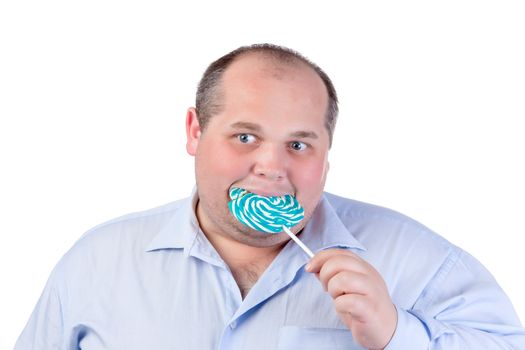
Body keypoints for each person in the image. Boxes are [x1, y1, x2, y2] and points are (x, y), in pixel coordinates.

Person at [15, 43, 525, 350]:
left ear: (326, 153)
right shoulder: (97, 262)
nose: (271, 167)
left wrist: (398, 335)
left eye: (298, 144)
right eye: (245, 137)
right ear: (195, 131)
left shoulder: (420, 261)